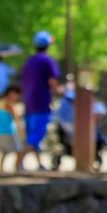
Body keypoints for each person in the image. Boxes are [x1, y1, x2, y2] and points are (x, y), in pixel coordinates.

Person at [19, 31, 61, 170]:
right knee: (36, 135)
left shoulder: (29, 61)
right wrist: (61, 90)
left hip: (28, 103)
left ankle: (39, 164)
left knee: (32, 134)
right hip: (41, 103)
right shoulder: (47, 61)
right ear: (47, 45)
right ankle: (18, 162)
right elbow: (52, 82)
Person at [0, 87, 24, 173]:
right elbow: (16, 117)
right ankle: (17, 168)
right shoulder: (9, 103)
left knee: (5, 151)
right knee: (20, 150)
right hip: (9, 131)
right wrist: (21, 130)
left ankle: (1, 169)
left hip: (0, 131)